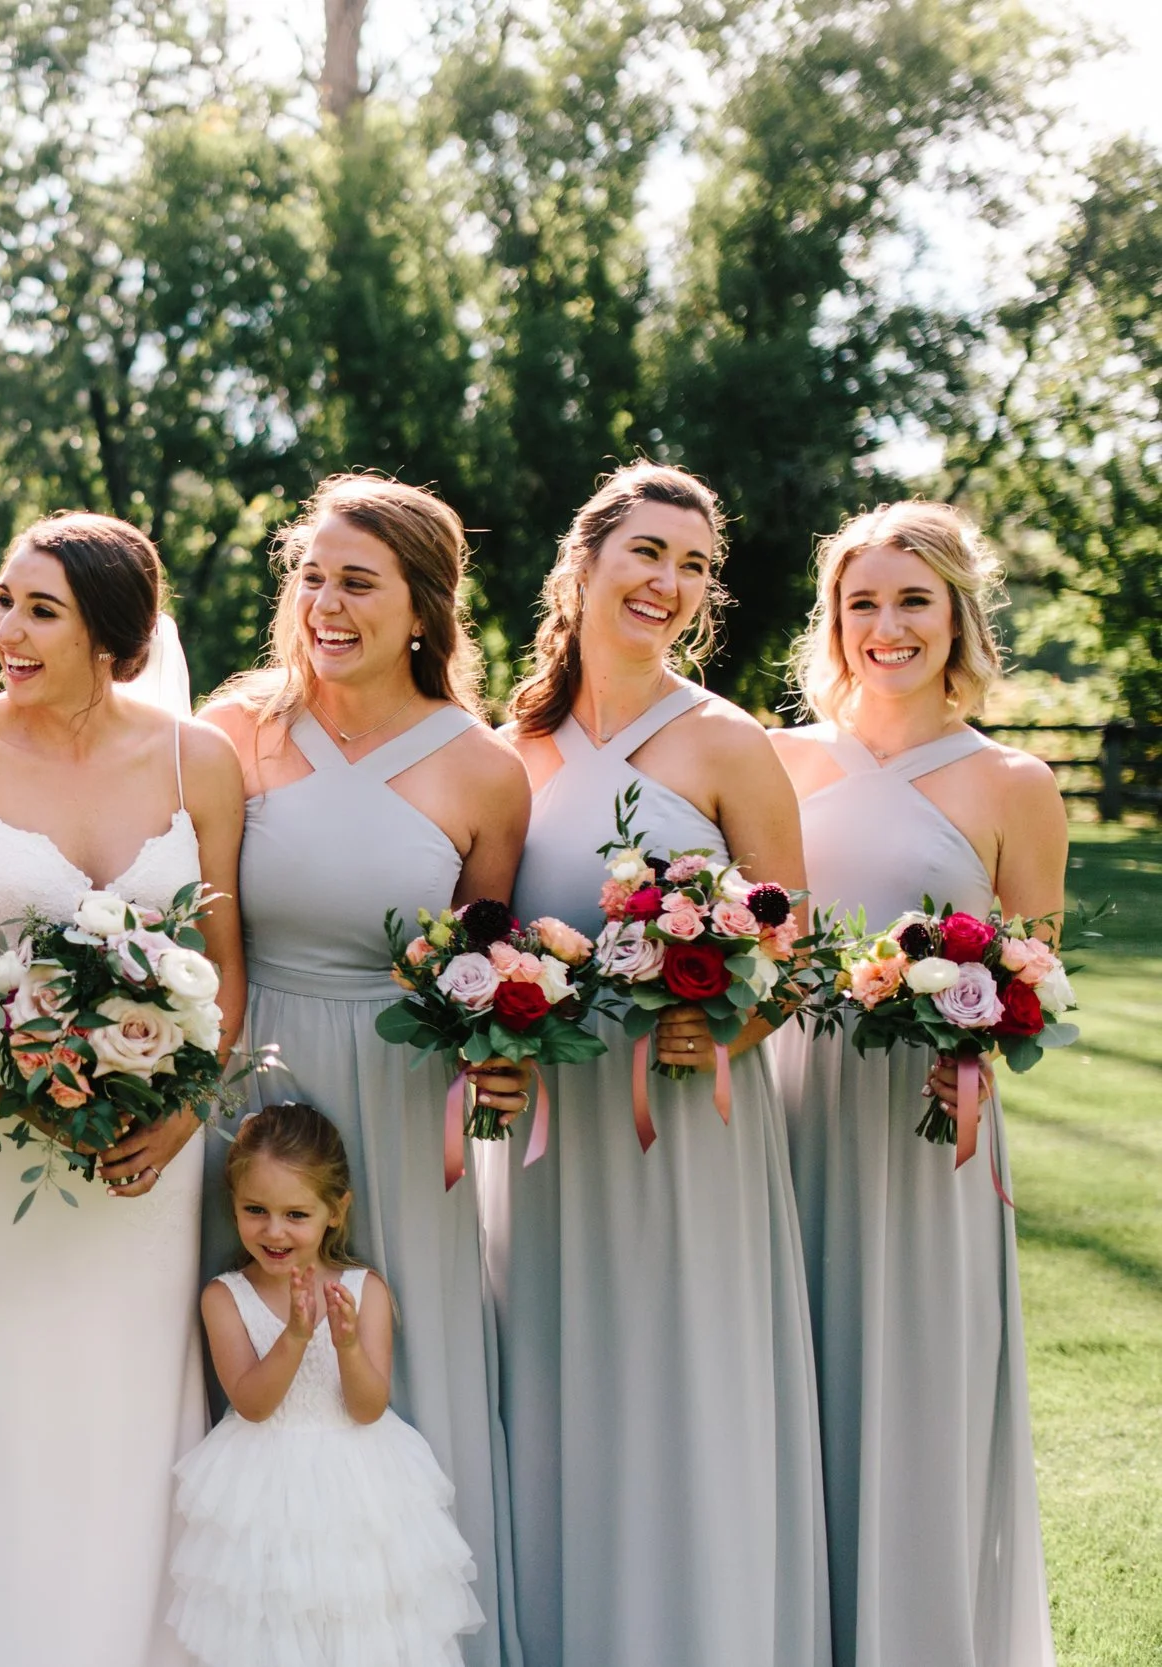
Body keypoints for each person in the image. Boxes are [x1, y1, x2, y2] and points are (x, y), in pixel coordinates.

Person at [0, 512, 246, 1667]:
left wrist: (184, 1104)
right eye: (3, 600)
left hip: (156, 1147)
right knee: (9, 1403)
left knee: (137, 1405)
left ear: (111, 634)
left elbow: (227, 960)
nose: (8, 629)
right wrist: (19, 1069)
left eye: (41, 609)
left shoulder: (202, 760)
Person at [485, 461, 827, 1667]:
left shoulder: (727, 742)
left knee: (684, 1388)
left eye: (692, 565)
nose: (668, 582)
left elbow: (794, 951)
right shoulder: (507, 746)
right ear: (583, 562)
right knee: (558, 1384)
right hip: (548, 1130)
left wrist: (722, 1023)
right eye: (647, 552)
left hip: (686, 1122)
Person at [198, 475, 525, 1667]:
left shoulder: (484, 769)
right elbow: (201, 925)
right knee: (246, 1355)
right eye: (311, 575)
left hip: (401, 1095)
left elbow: (492, 970)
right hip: (247, 1076)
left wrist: (502, 1058)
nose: (325, 602)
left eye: (358, 580)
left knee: (397, 1359)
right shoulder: (233, 727)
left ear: (424, 607)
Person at [768, 501, 1060, 1667]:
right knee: (786, 1366)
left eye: (911, 601)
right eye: (861, 603)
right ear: (833, 621)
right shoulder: (777, 756)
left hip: (922, 1113)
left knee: (914, 1392)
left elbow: (1034, 963)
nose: (885, 627)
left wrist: (975, 1017)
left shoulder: (1013, 780)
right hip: (785, 1097)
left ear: (956, 615)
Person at [170, 1102, 483, 1667]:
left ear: (336, 1211)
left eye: (296, 1214)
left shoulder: (365, 1291)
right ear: (234, 1206)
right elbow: (253, 1404)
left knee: (364, 1622)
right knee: (275, 1626)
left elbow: (367, 1408)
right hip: (263, 1490)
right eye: (255, 1210)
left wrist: (346, 1345)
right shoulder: (225, 1297)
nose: (274, 1230)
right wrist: (293, 1336)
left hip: (360, 1487)